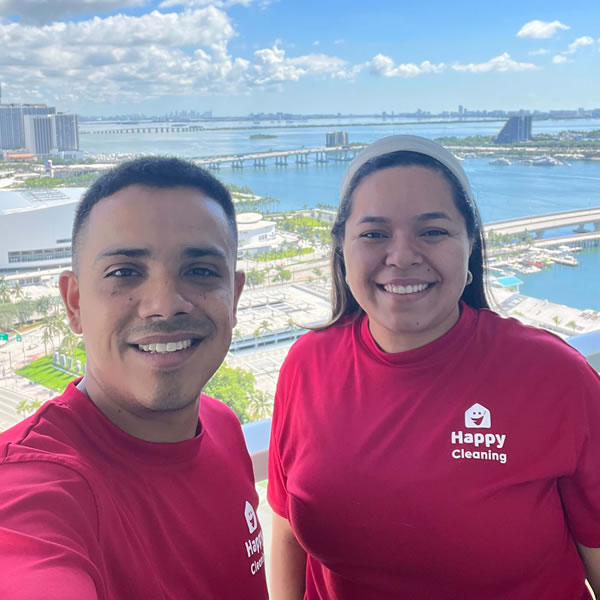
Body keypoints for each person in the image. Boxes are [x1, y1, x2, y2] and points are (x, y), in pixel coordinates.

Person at [267, 135, 600, 599]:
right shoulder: (306, 365)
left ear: (470, 245)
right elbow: (287, 531)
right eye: (374, 234)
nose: (402, 256)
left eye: (433, 231)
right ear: (341, 248)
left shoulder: (553, 376)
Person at [0, 157, 268, 599]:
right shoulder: (35, 487)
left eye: (201, 271)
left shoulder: (222, 424)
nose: (164, 305)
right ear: (75, 303)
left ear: (234, 297)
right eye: (124, 272)